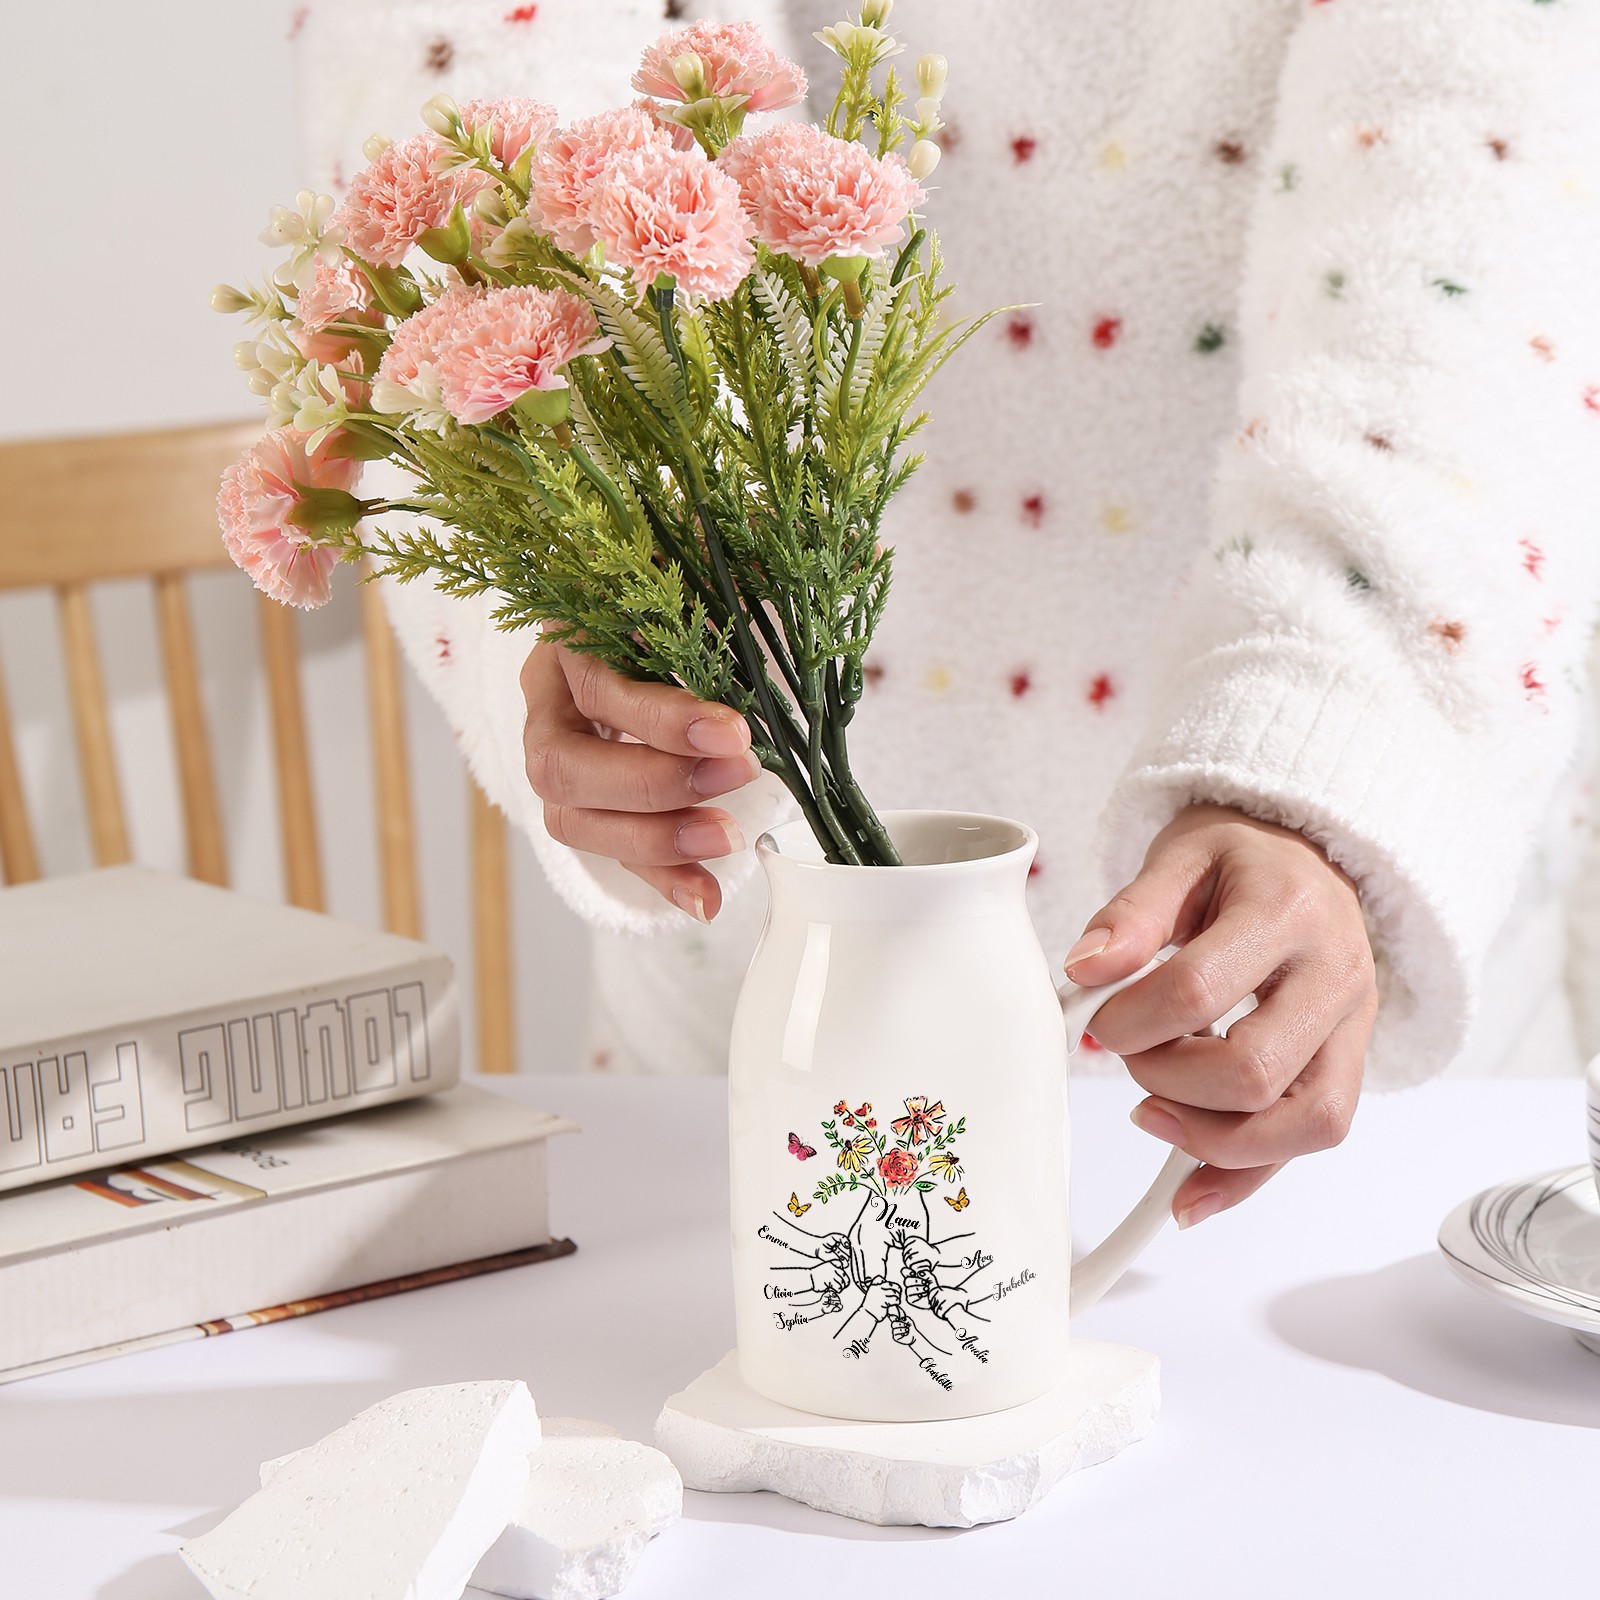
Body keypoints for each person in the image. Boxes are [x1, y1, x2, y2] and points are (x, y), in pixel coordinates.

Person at [298, 0, 1600, 1227]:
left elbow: (1481, 211)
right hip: (747, 1004)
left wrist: (1322, 752)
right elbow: (458, 87)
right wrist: (601, 562)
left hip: (1335, 1035)